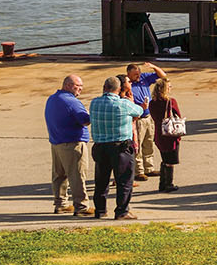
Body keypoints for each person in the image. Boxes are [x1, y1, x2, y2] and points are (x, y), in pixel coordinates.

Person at [88, 75, 139, 219]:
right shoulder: (123, 104)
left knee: (101, 181)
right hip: (120, 146)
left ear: (104, 88)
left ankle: (100, 210)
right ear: (119, 89)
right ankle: (122, 211)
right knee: (124, 181)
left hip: (100, 146)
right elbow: (139, 111)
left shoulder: (95, 103)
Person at [45, 74, 92, 216]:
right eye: (78, 86)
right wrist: (92, 114)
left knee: (59, 175)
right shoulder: (72, 102)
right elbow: (84, 120)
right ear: (68, 85)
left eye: (81, 86)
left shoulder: (52, 99)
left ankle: (60, 204)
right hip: (72, 143)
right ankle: (81, 206)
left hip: (56, 142)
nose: (80, 89)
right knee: (77, 175)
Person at [124, 61, 165, 180]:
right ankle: (139, 170)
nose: (138, 76)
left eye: (138, 73)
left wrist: (153, 67)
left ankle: (149, 168)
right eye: (135, 74)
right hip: (137, 118)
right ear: (128, 74)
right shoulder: (126, 84)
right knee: (138, 145)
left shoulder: (143, 78)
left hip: (148, 116)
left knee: (149, 142)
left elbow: (163, 76)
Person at [147, 79, 184, 193]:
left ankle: (162, 183)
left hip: (159, 132)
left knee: (164, 158)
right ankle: (168, 183)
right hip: (170, 133)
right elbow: (178, 114)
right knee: (170, 160)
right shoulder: (170, 101)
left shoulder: (152, 103)